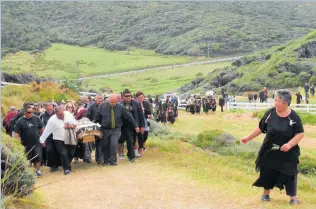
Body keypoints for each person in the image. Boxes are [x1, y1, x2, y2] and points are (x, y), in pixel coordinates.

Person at [240, 89, 304, 205]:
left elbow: (300, 133)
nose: (275, 103)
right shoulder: (270, 113)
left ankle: (293, 198)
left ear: (286, 103)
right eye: (275, 100)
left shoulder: (294, 117)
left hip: (288, 151)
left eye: (278, 101)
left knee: (291, 172)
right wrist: (248, 138)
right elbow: (260, 128)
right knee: (267, 169)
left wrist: (289, 144)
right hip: (270, 148)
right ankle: (266, 194)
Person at [95, 94, 138, 166]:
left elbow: (129, 116)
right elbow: (97, 117)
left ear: (117, 101)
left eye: (114, 103)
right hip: (105, 129)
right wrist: (95, 125)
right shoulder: (102, 106)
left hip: (116, 129)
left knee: (113, 144)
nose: (113, 104)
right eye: (111, 102)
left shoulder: (121, 107)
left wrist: (135, 126)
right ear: (109, 100)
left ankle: (113, 161)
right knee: (105, 145)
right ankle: (106, 161)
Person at [40, 107, 77, 175]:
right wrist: (42, 140)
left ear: (63, 111)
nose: (60, 116)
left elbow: (75, 123)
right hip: (58, 138)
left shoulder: (68, 114)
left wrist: (70, 126)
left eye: (61, 114)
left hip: (69, 137)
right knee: (63, 153)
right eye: (58, 115)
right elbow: (47, 130)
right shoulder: (52, 120)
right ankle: (67, 169)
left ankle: (66, 164)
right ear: (56, 113)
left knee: (71, 152)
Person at [14, 106, 45, 177]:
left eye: (32, 112)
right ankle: (27, 173)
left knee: (38, 156)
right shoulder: (20, 121)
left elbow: (42, 128)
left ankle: (38, 171)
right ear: (24, 112)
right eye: (29, 112)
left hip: (36, 142)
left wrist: (42, 138)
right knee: (27, 158)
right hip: (25, 143)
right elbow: (16, 133)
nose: (31, 114)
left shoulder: (36, 118)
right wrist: (17, 143)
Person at [118, 90, 145, 160]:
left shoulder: (136, 104)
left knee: (133, 141)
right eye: (126, 96)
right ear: (123, 97)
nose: (128, 97)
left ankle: (130, 154)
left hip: (136, 125)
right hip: (124, 126)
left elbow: (141, 115)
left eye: (129, 96)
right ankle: (131, 156)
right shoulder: (120, 105)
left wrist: (142, 126)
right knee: (126, 140)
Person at [39, 104, 61, 172]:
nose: (49, 111)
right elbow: (40, 126)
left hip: (57, 135)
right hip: (48, 136)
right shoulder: (42, 116)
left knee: (58, 150)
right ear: (45, 109)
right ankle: (52, 165)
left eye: (51, 109)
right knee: (50, 150)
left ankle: (58, 164)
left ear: (53, 108)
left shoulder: (57, 114)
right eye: (48, 109)